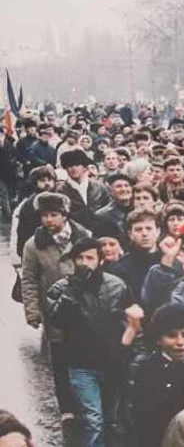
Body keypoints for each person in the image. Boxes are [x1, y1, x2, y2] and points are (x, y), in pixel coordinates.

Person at [45, 237, 140, 447]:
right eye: (80, 258)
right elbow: (56, 320)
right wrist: (73, 290)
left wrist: (129, 353)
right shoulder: (62, 288)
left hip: (112, 362)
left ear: (100, 261)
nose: (85, 263)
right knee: (92, 419)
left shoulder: (117, 285)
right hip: (80, 364)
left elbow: (133, 319)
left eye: (90, 258)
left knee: (112, 419)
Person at [21, 192, 91, 421]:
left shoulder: (83, 236)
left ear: (65, 215)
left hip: (84, 307)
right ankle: (67, 407)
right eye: (44, 215)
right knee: (60, 358)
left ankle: (86, 402)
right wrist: (32, 311)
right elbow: (29, 279)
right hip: (54, 309)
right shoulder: (34, 245)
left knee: (85, 354)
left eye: (54, 214)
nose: (49, 220)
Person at [127, 303, 184, 447]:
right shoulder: (147, 369)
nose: (180, 342)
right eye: (172, 336)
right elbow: (142, 419)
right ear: (158, 339)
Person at [57, 149, 111, 230]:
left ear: (85, 167)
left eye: (77, 165)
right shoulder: (60, 191)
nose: (73, 168)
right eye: (70, 166)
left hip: (101, 229)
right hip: (76, 233)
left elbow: (108, 208)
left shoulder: (99, 187)